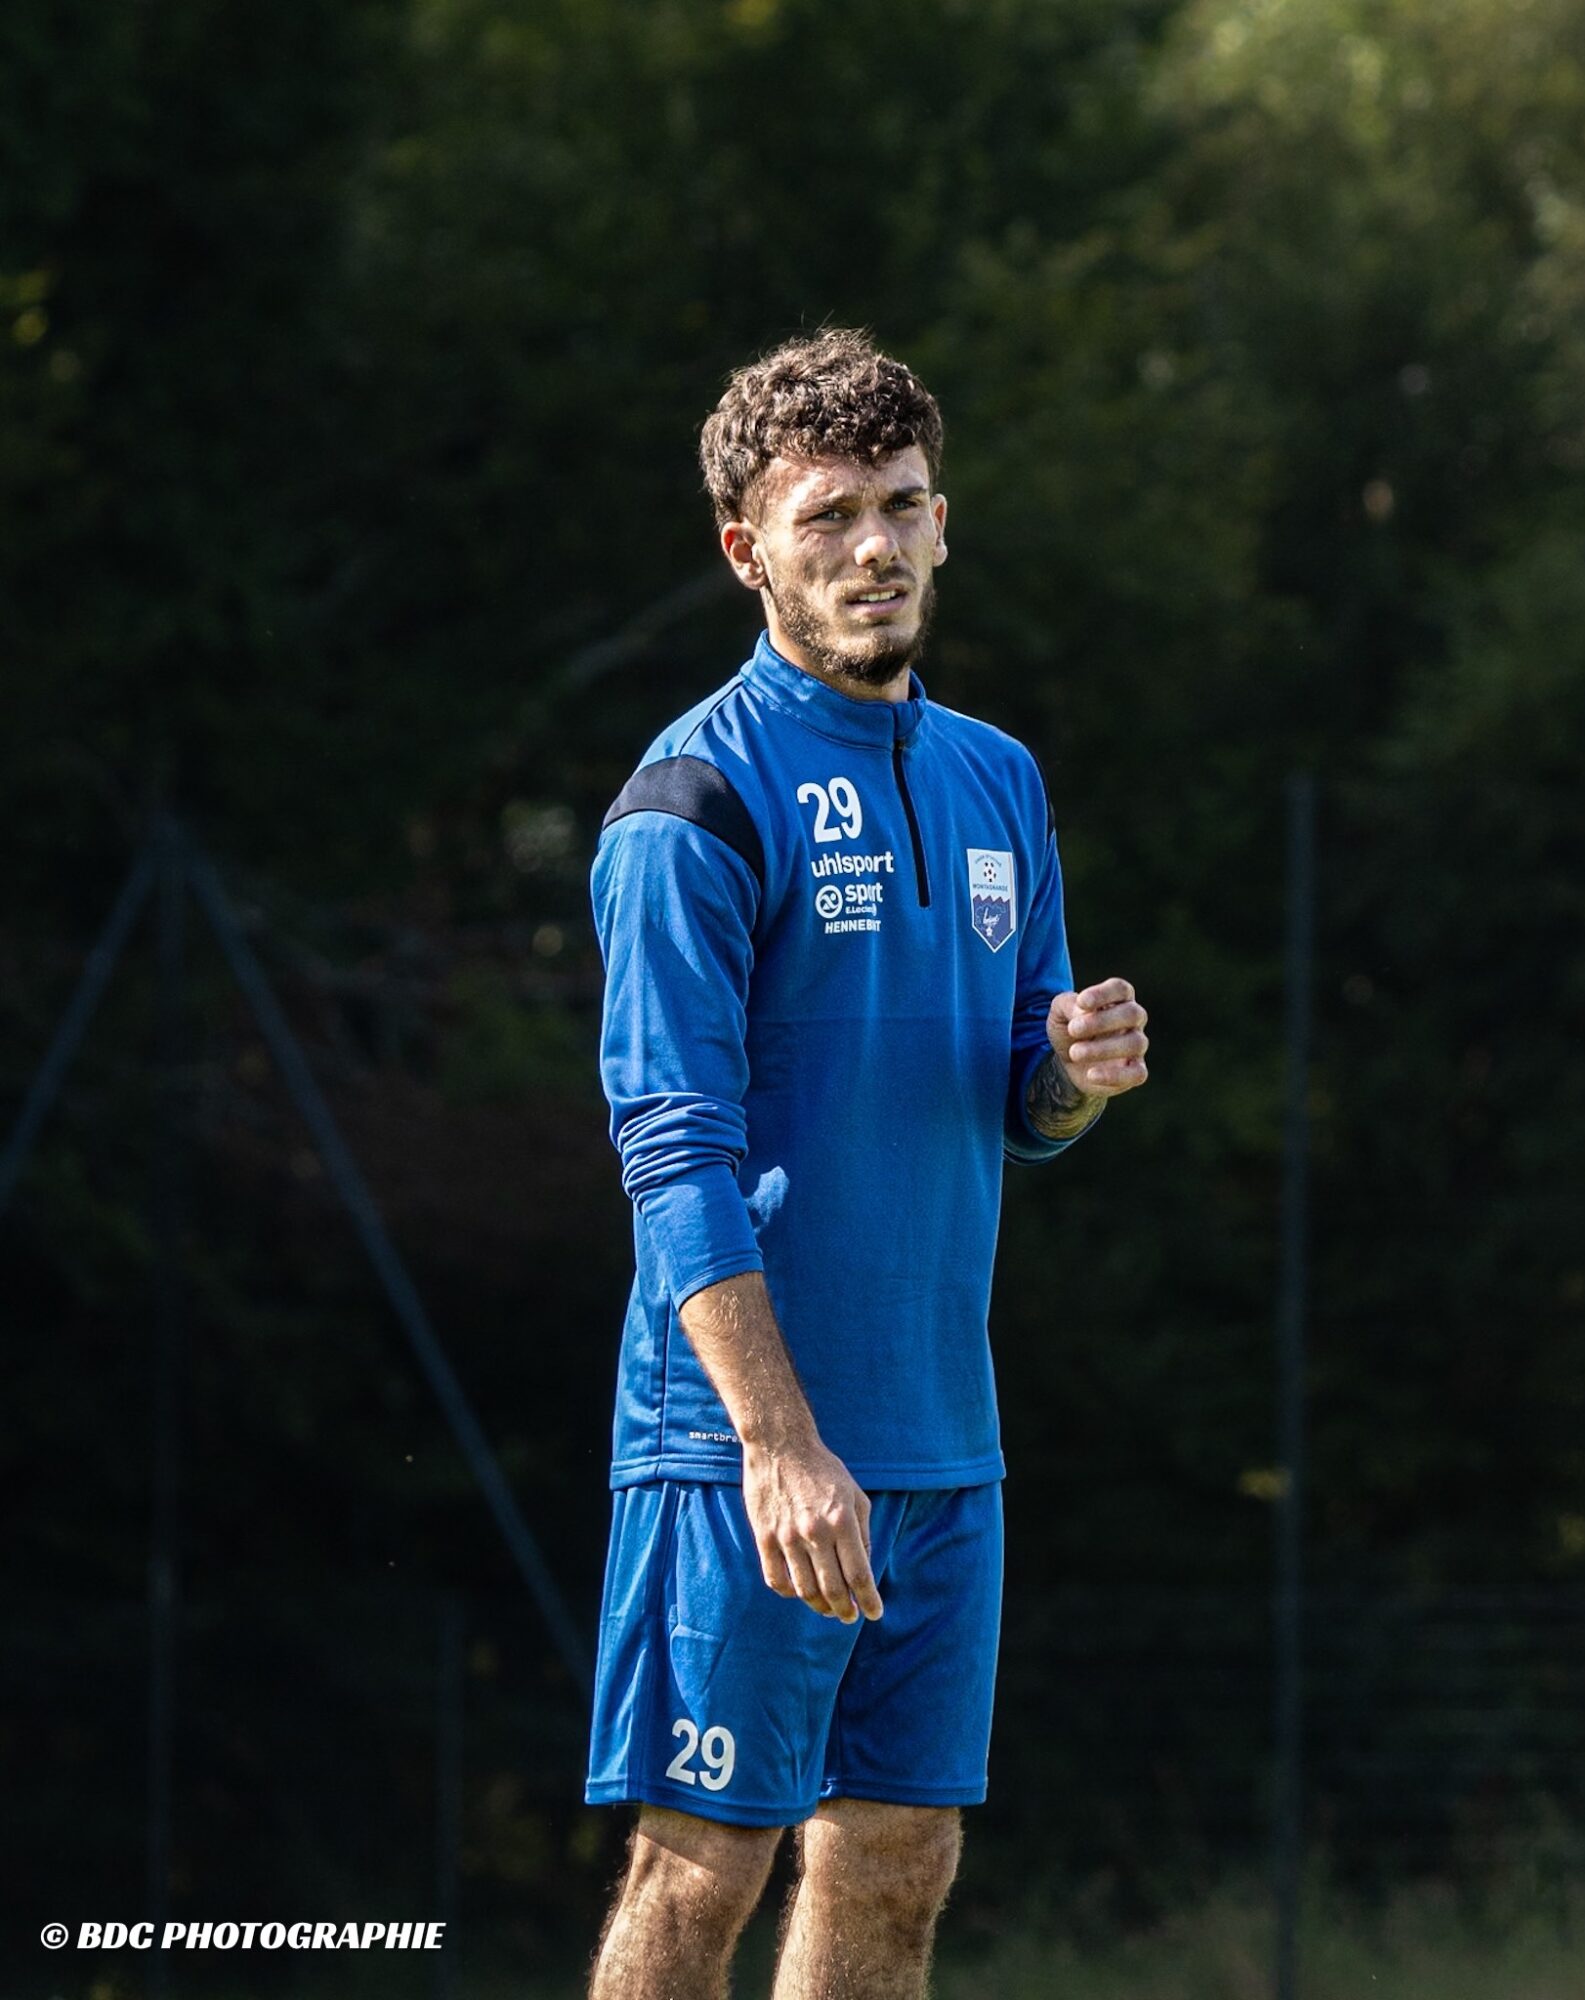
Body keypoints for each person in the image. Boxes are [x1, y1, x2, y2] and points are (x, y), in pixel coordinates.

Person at [584, 329, 1149, 2000]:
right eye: (827, 516)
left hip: (942, 1447)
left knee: (898, 1867)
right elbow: (670, 1151)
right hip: (742, 1454)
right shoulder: (692, 800)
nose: (874, 547)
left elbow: (1019, 1109)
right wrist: (778, 1447)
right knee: (701, 1873)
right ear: (747, 551)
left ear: (945, 524)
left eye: (901, 506)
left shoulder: (999, 777)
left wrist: (1071, 1077)